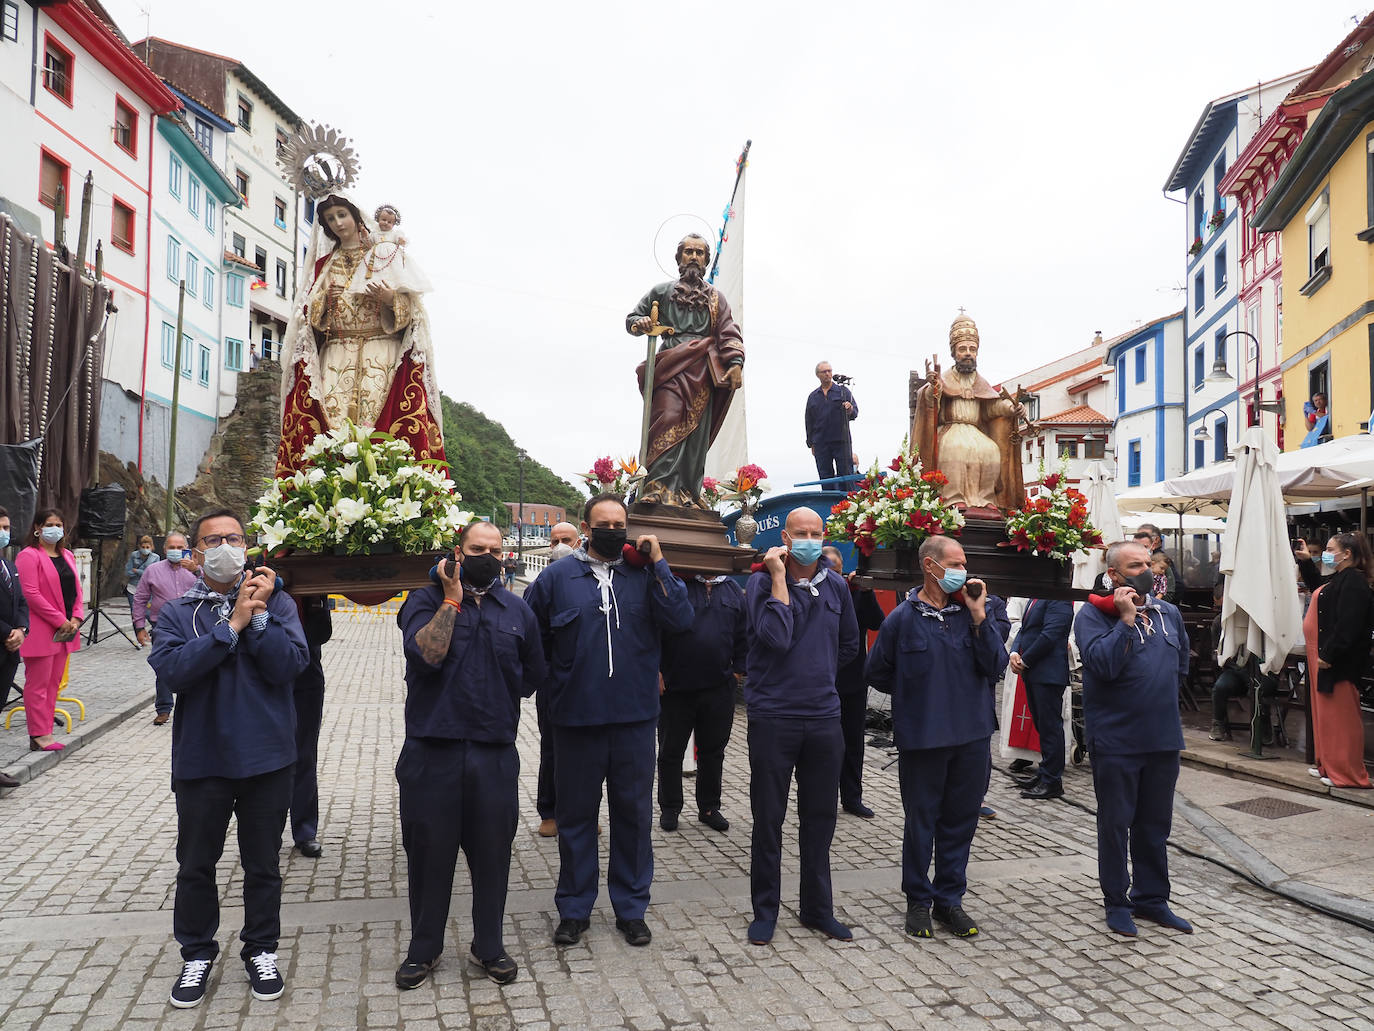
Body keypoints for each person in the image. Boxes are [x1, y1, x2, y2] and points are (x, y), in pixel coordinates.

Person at [149, 508, 309, 1008]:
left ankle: (261, 949)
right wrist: (231, 625)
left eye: (234, 538)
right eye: (213, 539)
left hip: (267, 759)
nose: (225, 546)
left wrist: (256, 617)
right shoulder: (177, 612)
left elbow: (290, 666)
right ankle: (196, 953)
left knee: (263, 865)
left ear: (247, 545)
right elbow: (174, 672)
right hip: (203, 761)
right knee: (196, 864)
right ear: (196, 552)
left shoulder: (277, 605)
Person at [523, 493, 692, 947]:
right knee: (575, 819)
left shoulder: (644, 575)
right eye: (605, 523)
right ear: (586, 526)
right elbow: (531, 640)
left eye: (621, 524)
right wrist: (550, 690)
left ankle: (631, 907)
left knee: (634, 818)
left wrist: (659, 564)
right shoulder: (557, 578)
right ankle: (575, 908)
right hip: (576, 722)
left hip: (635, 721)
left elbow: (680, 619)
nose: (614, 531)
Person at [394, 521, 546, 989]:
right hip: (431, 752)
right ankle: (424, 948)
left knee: (492, 855)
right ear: (457, 552)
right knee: (428, 856)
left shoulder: (518, 609)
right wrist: (452, 597)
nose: (488, 556)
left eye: (496, 550)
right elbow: (425, 656)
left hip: (493, 754)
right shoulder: (422, 601)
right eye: (477, 549)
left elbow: (531, 676)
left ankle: (489, 945)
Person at [866, 536, 1008, 939]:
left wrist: (979, 615)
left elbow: (996, 665)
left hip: (972, 736)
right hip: (924, 739)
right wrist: (918, 694)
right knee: (921, 822)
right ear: (930, 566)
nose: (964, 571)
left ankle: (950, 899)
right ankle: (918, 900)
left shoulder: (978, 612)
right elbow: (877, 672)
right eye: (956, 563)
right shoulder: (903, 618)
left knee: (960, 822)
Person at [744, 508, 859, 946]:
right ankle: (765, 911)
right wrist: (777, 579)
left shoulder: (836, 586)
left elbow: (849, 644)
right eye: (800, 533)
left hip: (823, 717)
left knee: (819, 818)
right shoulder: (759, 584)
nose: (809, 539)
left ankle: (817, 909)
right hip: (774, 716)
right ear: (786, 538)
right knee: (768, 818)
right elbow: (774, 637)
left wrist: (819, 675)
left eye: (815, 533)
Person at [276, 193, 444, 474]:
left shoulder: (384, 254)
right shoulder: (324, 265)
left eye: (342, 215)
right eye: (331, 219)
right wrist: (325, 303)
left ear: (356, 216)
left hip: (383, 353)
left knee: (382, 431)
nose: (338, 223)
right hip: (336, 356)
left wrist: (391, 298)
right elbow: (309, 321)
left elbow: (414, 314)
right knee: (332, 431)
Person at [1074, 540, 1193, 937]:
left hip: (1161, 737)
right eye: (1135, 565)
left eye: (1149, 563)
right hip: (1117, 739)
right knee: (1116, 824)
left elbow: (1180, 669)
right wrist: (1125, 621)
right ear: (1114, 575)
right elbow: (1102, 666)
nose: (1147, 570)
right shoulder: (1092, 616)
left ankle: (1153, 899)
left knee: (1155, 825)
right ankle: (1117, 901)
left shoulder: (1169, 614)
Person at [626, 234, 745, 508]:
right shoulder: (661, 292)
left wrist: (736, 363)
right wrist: (641, 323)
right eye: (688, 252)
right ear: (679, 258)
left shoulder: (716, 298)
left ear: (706, 259)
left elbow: (728, 332)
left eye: (699, 253)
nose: (693, 257)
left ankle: (687, 492)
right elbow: (632, 319)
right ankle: (656, 487)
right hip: (670, 366)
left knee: (695, 433)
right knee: (666, 420)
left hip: (702, 371)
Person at [657, 566, 747, 834]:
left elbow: (743, 633)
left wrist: (738, 670)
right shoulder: (678, 584)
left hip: (719, 687)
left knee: (713, 751)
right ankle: (670, 807)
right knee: (671, 751)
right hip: (676, 687)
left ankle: (709, 807)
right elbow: (657, 628)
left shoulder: (732, 589)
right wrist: (657, 670)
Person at [910, 314, 1024, 512]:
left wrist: (1010, 408)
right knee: (956, 449)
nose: (968, 353)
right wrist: (933, 388)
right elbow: (929, 402)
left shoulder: (981, 383)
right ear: (954, 353)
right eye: (963, 349)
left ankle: (986, 499)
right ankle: (952, 499)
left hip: (975, 431)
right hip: (950, 429)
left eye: (972, 349)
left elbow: (991, 408)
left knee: (990, 450)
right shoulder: (944, 378)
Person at [1295, 536, 1373, 788]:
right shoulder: (1340, 578)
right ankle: (1329, 764)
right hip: (1324, 656)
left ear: (1347, 553)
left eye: (1330, 550)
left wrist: (1329, 654)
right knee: (1326, 716)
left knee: (1342, 717)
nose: (1325, 554)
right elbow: (1320, 588)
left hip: (1337, 661)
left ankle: (1346, 772)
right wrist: (1307, 563)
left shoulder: (1354, 582)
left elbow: (1349, 624)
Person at [822, 544, 885, 818]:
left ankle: (852, 796)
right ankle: (822, 796)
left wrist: (867, 593)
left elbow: (877, 622)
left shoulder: (856, 593)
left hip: (853, 680)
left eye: (838, 571)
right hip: (822, 680)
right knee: (823, 745)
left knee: (853, 742)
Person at [15, 508, 82, 752]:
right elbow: (31, 594)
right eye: (50, 524)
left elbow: (76, 589)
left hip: (65, 630)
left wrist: (76, 616)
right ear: (38, 528)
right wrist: (58, 619)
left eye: (59, 524)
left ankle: (47, 730)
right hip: (43, 629)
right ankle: (38, 734)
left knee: (54, 683)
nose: (55, 528)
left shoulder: (67, 555)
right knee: (38, 684)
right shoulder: (28, 556)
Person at [534, 521, 582, 837]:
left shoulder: (590, 580)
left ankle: (582, 812)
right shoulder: (542, 582)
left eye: (566, 539)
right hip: (552, 680)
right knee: (552, 748)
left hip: (587, 680)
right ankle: (548, 811)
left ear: (578, 542)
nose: (560, 545)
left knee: (586, 752)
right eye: (555, 541)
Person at [1008, 599, 1073, 800]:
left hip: (1048, 673)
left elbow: (1051, 635)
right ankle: (1044, 773)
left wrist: (1026, 660)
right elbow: (1026, 628)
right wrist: (1015, 651)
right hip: (1035, 672)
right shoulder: (1037, 596)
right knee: (1041, 726)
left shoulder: (1059, 600)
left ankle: (1052, 780)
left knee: (1050, 727)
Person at [133, 532, 200, 726]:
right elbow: (140, 599)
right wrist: (139, 626)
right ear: (164, 549)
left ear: (188, 549)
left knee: (196, 663)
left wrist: (196, 570)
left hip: (192, 622)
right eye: (172, 547)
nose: (176, 551)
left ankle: (193, 706)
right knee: (164, 665)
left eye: (180, 548)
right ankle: (163, 708)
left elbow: (213, 590)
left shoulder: (198, 571)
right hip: (162, 624)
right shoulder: (152, 571)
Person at [290, 594, 333, 858]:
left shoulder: (311, 585)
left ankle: (305, 831)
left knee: (305, 754)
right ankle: (266, 830)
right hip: (262, 679)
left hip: (305, 676)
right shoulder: (252, 570)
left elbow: (322, 633)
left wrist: (315, 601)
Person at [0, 507, 27, 788]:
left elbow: (21, 603)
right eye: (0, 528)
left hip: (9, 652)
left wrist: (21, 629)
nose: (4, 533)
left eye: (7, 528)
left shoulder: (10, 566)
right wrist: (8, 631)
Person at [805, 364, 859, 482]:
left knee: (845, 475)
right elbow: (809, 421)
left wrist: (849, 409)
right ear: (818, 375)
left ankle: (847, 499)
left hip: (841, 440)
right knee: (825, 477)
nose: (827, 374)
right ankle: (829, 500)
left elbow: (855, 412)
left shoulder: (842, 391)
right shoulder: (813, 397)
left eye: (829, 371)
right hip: (820, 443)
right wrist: (811, 443)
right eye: (824, 371)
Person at [1131, 525, 1176, 603]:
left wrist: (1156, 602)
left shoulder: (1161, 563)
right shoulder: (1128, 564)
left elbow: (1169, 591)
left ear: (1153, 545)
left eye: (1144, 546)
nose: (1140, 550)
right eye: (1136, 546)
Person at [125, 534, 158, 625]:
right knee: (135, 614)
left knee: (148, 612)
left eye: (147, 547)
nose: (145, 549)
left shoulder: (155, 558)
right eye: (143, 547)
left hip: (148, 589)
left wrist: (137, 571)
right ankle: (139, 634)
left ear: (151, 547)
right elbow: (128, 571)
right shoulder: (134, 555)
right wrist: (143, 572)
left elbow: (152, 574)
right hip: (133, 588)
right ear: (139, 547)